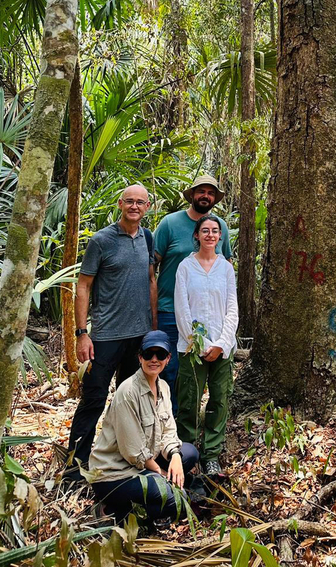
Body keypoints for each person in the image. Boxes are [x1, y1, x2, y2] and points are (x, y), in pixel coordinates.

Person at [65, 184, 157, 479]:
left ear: (147, 207)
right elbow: (83, 285)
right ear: (120, 204)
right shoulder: (101, 240)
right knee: (93, 400)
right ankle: (74, 469)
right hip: (104, 337)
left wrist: (153, 328)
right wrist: (82, 332)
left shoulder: (148, 237)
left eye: (139, 202)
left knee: (131, 401)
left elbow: (151, 280)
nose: (134, 206)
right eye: (129, 201)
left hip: (139, 337)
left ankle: (122, 460)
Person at [89, 330, 202, 526]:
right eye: (149, 354)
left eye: (160, 355)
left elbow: (168, 431)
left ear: (168, 358)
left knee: (189, 453)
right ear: (140, 357)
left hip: (144, 463)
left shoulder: (164, 388)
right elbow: (133, 452)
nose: (154, 359)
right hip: (115, 472)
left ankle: (144, 498)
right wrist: (162, 474)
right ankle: (113, 510)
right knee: (178, 500)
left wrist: (174, 455)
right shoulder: (127, 392)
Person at [154, 174, 232, 411]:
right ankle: (169, 425)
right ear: (192, 195)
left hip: (208, 316)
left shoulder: (220, 227)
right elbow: (151, 266)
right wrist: (151, 308)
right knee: (171, 370)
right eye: (201, 191)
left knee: (199, 375)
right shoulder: (170, 223)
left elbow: (225, 268)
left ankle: (189, 425)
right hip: (169, 310)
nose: (205, 196)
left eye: (210, 193)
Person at [174, 214, 238, 479]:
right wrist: (199, 344)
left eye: (215, 231)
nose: (210, 235)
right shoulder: (185, 267)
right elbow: (182, 309)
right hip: (191, 348)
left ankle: (211, 455)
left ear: (220, 237)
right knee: (189, 400)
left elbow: (232, 307)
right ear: (197, 235)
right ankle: (187, 454)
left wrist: (222, 344)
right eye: (205, 231)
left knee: (219, 400)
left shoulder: (226, 268)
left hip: (223, 348)